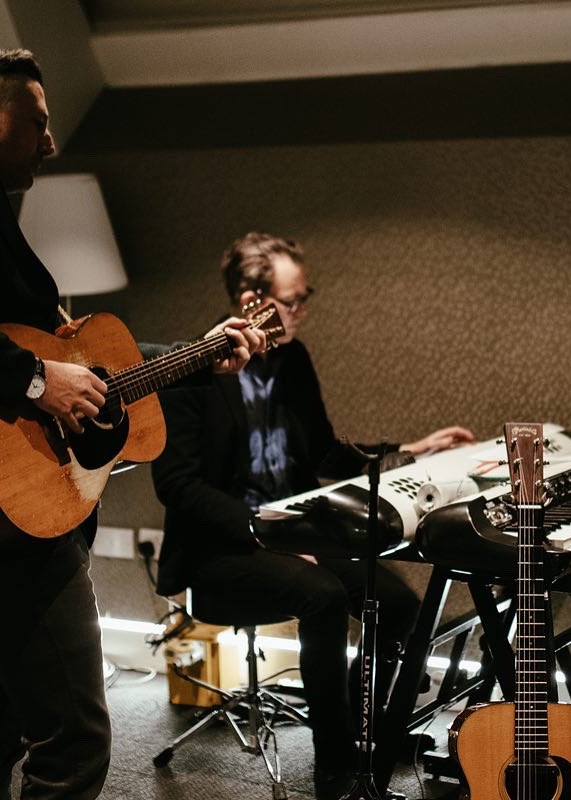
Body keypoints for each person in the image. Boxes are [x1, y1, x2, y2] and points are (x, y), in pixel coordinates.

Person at [0, 48, 264, 799]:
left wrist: (196, 354)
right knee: (75, 744)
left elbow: (80, 361)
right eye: (38, 123)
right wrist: (31, 381)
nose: (51, 143)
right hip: (13, 539)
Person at [151, 232, 474, 799]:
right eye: (292, 298)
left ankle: (369, 732)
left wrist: (410, 450)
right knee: (323, 597)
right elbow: (177, 487)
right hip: (221, 552)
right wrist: (261, 534)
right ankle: (337, 765)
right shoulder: (192, 367)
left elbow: (324, 451)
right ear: (251, 297)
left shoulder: (292, 359)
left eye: (304, 297)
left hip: (295, 532)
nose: (301, 311)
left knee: (397, 605)